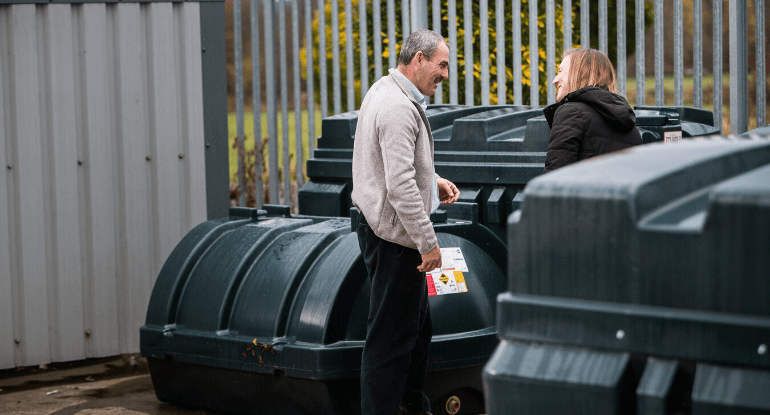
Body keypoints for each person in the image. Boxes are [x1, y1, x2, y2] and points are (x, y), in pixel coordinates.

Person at [350, 29, 460, 415]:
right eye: (441, 64)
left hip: (384, 229)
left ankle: (412, 405)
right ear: (418, 60)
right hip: (396, 239)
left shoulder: (385, 90)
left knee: (415, 329)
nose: (446, 74)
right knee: (391, 339)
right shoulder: (398, 107)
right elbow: (398, 185)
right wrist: (428, 244)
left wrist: (433, 181)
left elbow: (395, 165)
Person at [544, 48, 643, 173]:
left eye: (560, 71)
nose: (555, 80)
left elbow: (555, 177)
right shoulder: (625, 118)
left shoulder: (571, 112)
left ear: (581, 73)